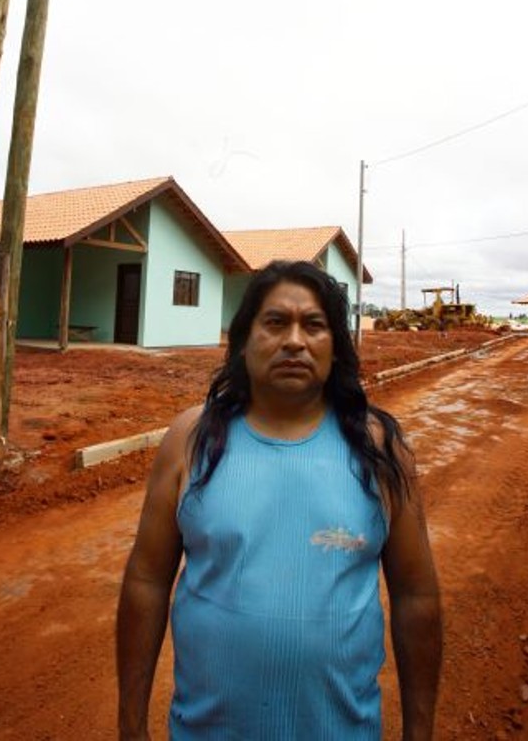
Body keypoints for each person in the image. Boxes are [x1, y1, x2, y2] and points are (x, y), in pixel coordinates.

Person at [117, 260, 442, 741]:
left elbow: (417, 598)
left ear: (336, 346)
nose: (295, 340)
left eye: (314, 325)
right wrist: (130, 726)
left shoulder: (378, 449)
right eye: (275, 323)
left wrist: (420, 732)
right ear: (243, 341)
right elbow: (146, 580)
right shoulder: (192, 440)